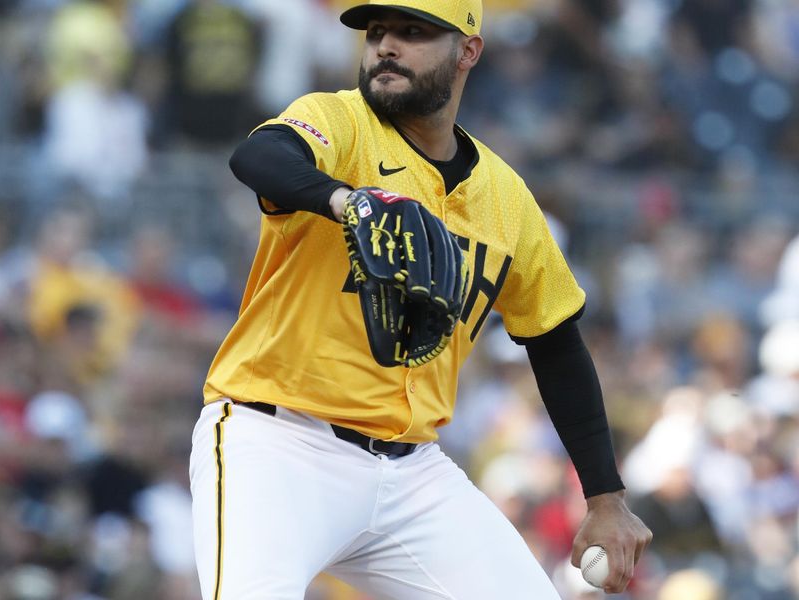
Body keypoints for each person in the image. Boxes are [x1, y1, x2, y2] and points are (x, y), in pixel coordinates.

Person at [189, 1, 652, 598]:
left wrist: (605, 497)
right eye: (376, 32)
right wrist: (346, 201)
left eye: (413, 32)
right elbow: (258, 157)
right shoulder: (339, 121)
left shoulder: (506, 199)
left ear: (468, 51)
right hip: (277, 444)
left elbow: (555, 343)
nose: (386, 46)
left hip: (411, 471)